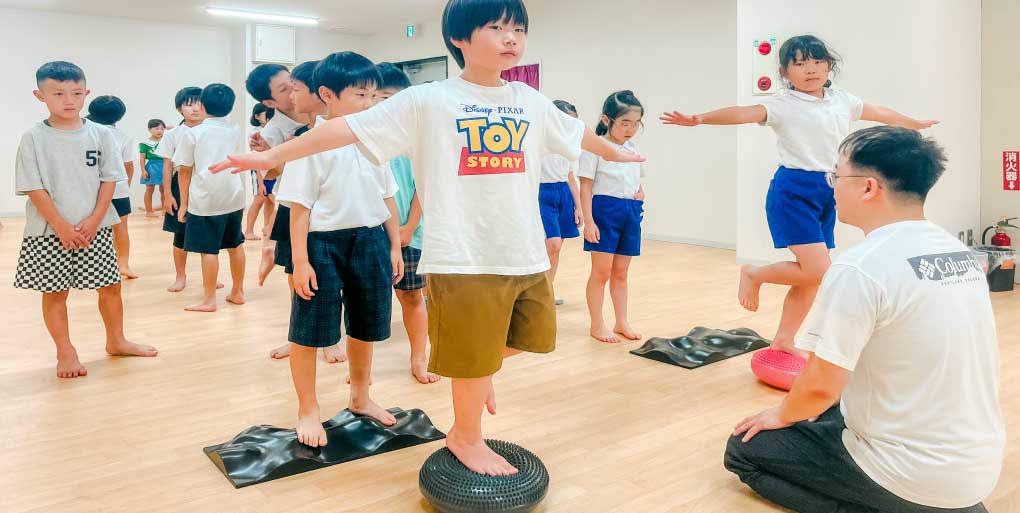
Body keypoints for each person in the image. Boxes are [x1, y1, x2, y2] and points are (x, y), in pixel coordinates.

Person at [210, 0, 644, 476]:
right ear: (459, 38)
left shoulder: (528, 98)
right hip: (463, 255)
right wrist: (269, 159)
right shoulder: (428, 99)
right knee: (467, 353)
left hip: (524, 250)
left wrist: (615, 154)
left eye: (518, 29)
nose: (511, 38)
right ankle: (465, 434)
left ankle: (478, 368)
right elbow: (342, 131)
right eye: (496, 27)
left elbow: (576, 133)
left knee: (536, 338)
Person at [725, 126, 1005, 513]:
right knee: (828, 411)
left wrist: (782, 414)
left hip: (911, 473)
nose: (831, 188)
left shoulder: (860, 267)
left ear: (869, 187)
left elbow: (820, 386)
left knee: (744, 449)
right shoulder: (958, 253)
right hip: (978, 466)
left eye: (836, 176)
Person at [661, 35, 938, 375]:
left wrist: (913, 123)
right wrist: (699, 119)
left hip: (831, 188)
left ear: (829, 66)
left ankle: (783, 340)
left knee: (810, 277)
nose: (811, 69)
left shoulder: (842, 100)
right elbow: (744, 113)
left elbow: (879, 112)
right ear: (784, 71)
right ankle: (754, 274)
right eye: (801, 63)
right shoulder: (782, 104)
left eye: (818, 61)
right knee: (818, 269)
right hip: (794, 190)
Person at [274, 51, 404, 446]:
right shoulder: (309, 145)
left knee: (366, 324)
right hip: (323, 245)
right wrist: (300, 262)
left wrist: (395, 247)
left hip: (371, 240)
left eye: (373, 95)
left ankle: (361, 397)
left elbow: (388, 197)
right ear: (328, 95)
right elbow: (299, 210)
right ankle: (308, 409)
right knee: (309, 331)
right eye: (360, 95)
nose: (369, 103)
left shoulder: (374, 141)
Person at [15, 61, 157, 378]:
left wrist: (95, 220)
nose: (69, 100)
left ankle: (116, 340)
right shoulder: (33, 137)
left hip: (96, 228)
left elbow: (110, 180)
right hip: (49, 231)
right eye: (58, 93)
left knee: (110, 286)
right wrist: (61, 226)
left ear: (86, 93)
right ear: (40, 96)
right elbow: (33, 187)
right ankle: (65, 351)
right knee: (55, 293)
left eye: (76, 93)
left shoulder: (101, 134)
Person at [375, 62, 439, 385]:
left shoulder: (416, 138)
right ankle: (360, 368)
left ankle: (419, 357)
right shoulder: (364, 136)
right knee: (367, 302)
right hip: (370, 232)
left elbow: (423, 187)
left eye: (393, 98)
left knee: (412, 296)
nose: (386, 105)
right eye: (379, 97)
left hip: (409, 233)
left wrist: (409, 227)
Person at [579, 91, 646, 344]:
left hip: (630, 212)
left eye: (636, 124)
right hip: (605, 211)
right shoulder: (595, 147)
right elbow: (586, 186)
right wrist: (589, 221)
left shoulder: (632, 148)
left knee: (621, 273)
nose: (631, 129)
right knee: (601, 272)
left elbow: (636, 179)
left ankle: (622, 322)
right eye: (625, 123)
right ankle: (597, 324)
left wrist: (640, 193)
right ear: (607, 120)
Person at [173, 84, 246, 312]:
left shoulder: (193, 133)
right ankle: (238, 291)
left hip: (206, 198)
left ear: (202, 104)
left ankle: (209, 300)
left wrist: (183, 204)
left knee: (208, 250)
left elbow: (184, 171)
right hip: (234, 195)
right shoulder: (234, 130)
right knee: (235, 245)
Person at [156, 86, 207, 293]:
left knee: (207, 233)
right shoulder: (173, 134)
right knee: (180, 234)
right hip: (180, 185)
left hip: (206, 184)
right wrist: (167, 194)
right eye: (189, 105)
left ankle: (209, 277)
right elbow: (168, 166)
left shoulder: (212, 130)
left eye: (199, 104)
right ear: (179, 109)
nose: (195, 108)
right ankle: (180, 276)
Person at [86, 95, 138, 279]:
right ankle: (123, 264)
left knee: (91, 227)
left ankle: (91, 265)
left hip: (90, 190)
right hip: (118, 189)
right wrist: (126, 185)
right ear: (120, 116)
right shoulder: (124, 137)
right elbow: (128, 165)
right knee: (121, 228)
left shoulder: (85, 133)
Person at [540, 99, 583, 306]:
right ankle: (535, 293)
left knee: (556, 249)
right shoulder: (539, 140)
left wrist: (578, 207)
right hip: (541, 193)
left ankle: (547, 292)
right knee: (552, 244)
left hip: (563, 193)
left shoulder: (569, 146)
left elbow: (570, 176)